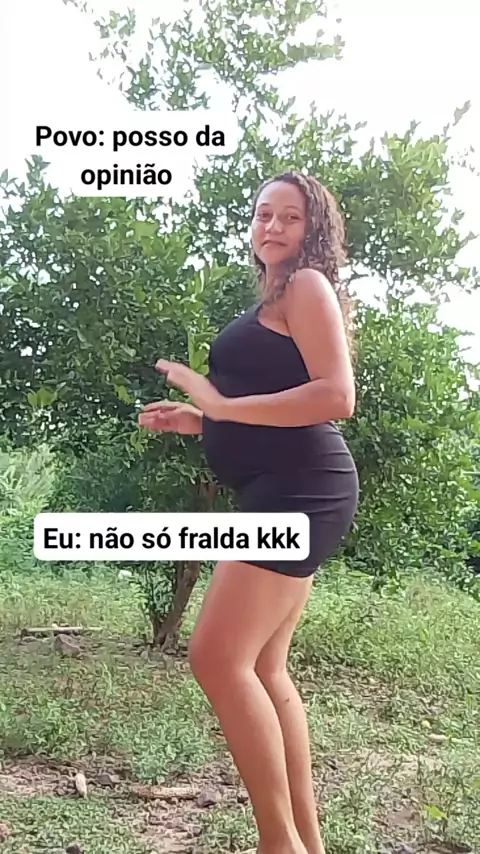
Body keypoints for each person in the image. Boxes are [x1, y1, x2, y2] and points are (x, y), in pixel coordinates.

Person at [138, 171, 359, 854]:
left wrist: (222, 406)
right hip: (288, 483)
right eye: (263, 214)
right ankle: (304, 846)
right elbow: (273, 399)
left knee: (217, 657)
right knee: (263, 668)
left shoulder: (307, 285)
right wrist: (202, 420)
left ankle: (278, 845)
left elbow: (336, 395)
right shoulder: (277, 295)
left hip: (300, 487)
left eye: (289, 216)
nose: (272, 226)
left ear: (313, 229)